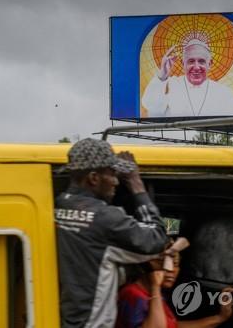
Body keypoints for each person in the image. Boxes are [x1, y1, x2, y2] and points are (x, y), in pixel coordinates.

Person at [56, 138, 169, 327]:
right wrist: (136, 184)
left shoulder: (58, 205)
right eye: (113, 174)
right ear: (93, 178)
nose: (116, 182)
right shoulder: (105, 218)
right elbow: (156, 239)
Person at [116, 242, 233, 328]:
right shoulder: (132, 295)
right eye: (163, 263)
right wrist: (155, 287)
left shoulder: (155, 295)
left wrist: (220, 318)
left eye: (176, 264)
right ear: (147, 265)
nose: (171, 270)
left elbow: (173, 326)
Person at [142, 38, 233, 117]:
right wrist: (162, 76)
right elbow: (152, 109)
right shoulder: (170, 85)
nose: (196, 67)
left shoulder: (225, 93)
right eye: (191, 61)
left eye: (201, 61)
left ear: (210, 64)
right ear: (183, 63)